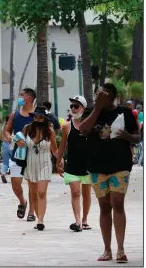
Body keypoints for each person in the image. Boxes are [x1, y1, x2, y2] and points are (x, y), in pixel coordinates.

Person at [79, 83, 140, 263]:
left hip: (120, 165)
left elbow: (138, 136)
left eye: (102, 94)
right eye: (97, 93)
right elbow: (83, 130)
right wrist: (97, 108)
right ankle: (107, 249)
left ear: (111, 96)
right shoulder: (91, 111)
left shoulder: (125, 113)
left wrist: (128, 137)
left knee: (117, 203)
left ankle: (121, 249)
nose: (99, 96)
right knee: (104, 206)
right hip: (97, 166)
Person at [16, 106, 59, 231]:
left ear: (45, 118)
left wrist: (61, 160)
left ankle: (40, 220)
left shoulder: (50, 131)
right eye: (35, 116)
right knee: (33, 192)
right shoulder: (27, 129)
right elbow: (16, 140)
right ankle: (35, 214)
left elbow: (55, 150)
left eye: (40, 117)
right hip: (30, 164)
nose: (37, 119)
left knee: (41, 192)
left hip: (45, 163)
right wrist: (18, 143)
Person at [56, 96, 92, 232]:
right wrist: (59, 160)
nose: (73, 109)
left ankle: (85, 220)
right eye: (72, 106)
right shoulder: (66, 126)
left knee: (86, 193)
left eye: (76, 106)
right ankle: (77, 221)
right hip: (72, 165)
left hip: (88, 165)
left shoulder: (90, 126)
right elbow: (62, 145)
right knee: (75, 192)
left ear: (83, 108)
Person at [4, 88, 36, 221]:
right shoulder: (14, 114)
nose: (20, 98)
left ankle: (31, 212)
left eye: (22, 95)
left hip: (33, 153)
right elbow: (6, 131)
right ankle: (22, 201)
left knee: (31, 183)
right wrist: (11, 138)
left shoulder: (37, 115)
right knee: (15, 183)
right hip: (17, 153)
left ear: (29, 98)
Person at [0, 115, 12, 184]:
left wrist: (6, 140)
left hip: (4, 145)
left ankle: (3, 173)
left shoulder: (3, 126)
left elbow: (2, 138)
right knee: (14, 162)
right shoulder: (12, 126)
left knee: (5, 162)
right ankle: (14, 177)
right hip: (12, 145)